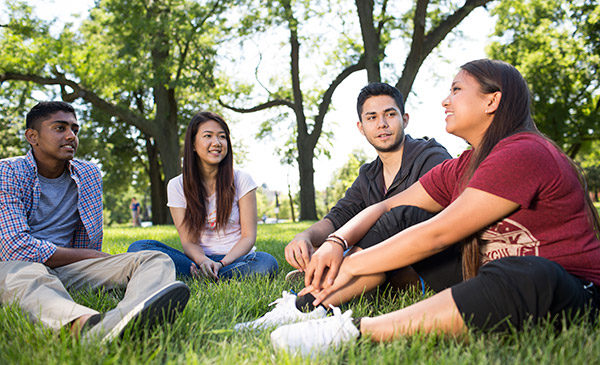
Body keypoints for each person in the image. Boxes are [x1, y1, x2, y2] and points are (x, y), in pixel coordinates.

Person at [268, 59, 600, 355]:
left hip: (568, 290)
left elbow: (438, 234)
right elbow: (386, 208)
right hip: (484, 276)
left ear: (492, 100)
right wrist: (336, 243)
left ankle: (350, 331)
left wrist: (354, 265)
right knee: (404, 216)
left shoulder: (523, 151)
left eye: (456, 89)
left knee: (526, 272)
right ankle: (304, 306)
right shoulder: (463, 165)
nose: (445, 100)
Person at [236, 83, 451, 331]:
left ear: (404, 119)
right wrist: (304, 236)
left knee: (387, 223)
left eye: (390, 114)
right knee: (323, 243)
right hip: (378, 261)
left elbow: (429, 221)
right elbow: (338, 217)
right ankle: (337, 280)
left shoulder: (431, 157)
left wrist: (343, 246)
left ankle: (314, 297)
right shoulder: (369, 174)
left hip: (426, 262)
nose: (382, 123)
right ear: (361, 127)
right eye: (372, 117)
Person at [0, 101, 190, 343]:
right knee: (27, 274)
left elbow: (88, 240)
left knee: (154, 258)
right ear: (32, 136)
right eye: (60, 128)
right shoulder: (7, 172)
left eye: (75, 130)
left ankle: (126, 318)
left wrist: (95, 261)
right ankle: (87, 327)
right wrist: (92, 256)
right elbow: (14, 247)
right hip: (17, 266)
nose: (71, 136)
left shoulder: (88, 174)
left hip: (69, 269)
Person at [128, 111, 278, 280]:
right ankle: (208, 273)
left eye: (222, 137)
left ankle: (207, 275)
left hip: (236, 259)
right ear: (193, 144)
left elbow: (248, 237)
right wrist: (203, 261)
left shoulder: (242, 179)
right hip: (196, 260)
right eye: (208, 136)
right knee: (139, 248)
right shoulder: (177, 185)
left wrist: (222, 263)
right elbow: (188, 241)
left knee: (266, 263)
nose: (217, 143)